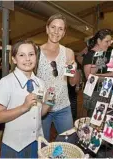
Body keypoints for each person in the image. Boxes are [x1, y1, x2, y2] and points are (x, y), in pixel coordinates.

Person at [0, 40, 51, 158]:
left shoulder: (41, 83)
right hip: (14, 147)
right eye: (22, 55)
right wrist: (23, 107)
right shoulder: (7, 82)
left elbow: (40, 113)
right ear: (14, 59)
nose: (27, 59)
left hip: (37, 142)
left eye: (31, 54)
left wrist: (49, 102)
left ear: (36, 57)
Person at [36, 13, 79, 141]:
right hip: (42, 108)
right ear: (47, 28)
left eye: (60, 28)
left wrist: (74, 70)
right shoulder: (36, 52)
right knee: (42, 145)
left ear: (64, 32)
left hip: (63, 107)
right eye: (53, 27)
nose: (56, 31)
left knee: (69, 143)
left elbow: (72, 82)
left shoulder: (68, 52)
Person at [81, 29, 113, 117]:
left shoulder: (104, 54)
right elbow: (90, 78)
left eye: (110, 41)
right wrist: (111, 75)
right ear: (98, 41)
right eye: (107, 41)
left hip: (106, 91)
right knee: (94, 121)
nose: (109, 44)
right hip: (94, 94)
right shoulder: (90, 55)